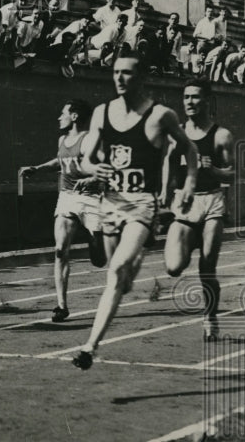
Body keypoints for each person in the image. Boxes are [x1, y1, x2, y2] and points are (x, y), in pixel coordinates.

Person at [70, 57, 198, 370]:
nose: (120, 78)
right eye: (115, 73)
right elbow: (85, 158)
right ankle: (139, 256)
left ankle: (89, 346)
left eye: (126, 73)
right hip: (111, 203)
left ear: (140, 77)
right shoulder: (102, 112)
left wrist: (189, 184)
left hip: (142, 204)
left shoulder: (160, 115)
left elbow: (189, 149)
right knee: (121, 280)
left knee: (116, 270)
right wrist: (92, 167)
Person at [20, 100, 106, 322]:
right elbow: (60, 161)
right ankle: (61, 305)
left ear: (74, 116)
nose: (59, 117)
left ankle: (95, 237)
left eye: (63, 113)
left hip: (90, 199)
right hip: (67, 197)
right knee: (60, 250)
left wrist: (92, 179)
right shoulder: (62, 139)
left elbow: (107, 169)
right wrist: (37, 169)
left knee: (98, 259)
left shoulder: (88, 140)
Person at [162, 81, 234, 339]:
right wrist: (165, 191)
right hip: (186, 203)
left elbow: (232, 174)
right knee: (173, 267)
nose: (190, 102)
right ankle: (188, 240)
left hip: (212, 202)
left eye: (195, 97)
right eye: (186, 97)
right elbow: (168, 163)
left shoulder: (220, 135)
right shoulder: (176, 133)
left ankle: (210, 316)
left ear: (207, 101)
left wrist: (211, 169)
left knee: (207, 268)